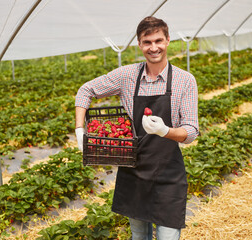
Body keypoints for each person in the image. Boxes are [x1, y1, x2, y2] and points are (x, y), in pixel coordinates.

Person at [75, 16, 199, 240]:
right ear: (140, 44)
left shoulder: (184, 80)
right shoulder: (127, 76)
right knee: (139, 236)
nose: (154, 48)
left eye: (158, 41)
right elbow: (86, 91)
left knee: (168, 236)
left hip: (168, 174)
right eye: (147, 42)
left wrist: (166, 131)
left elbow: (191, 131)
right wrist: (78, 130)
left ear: (168, 40)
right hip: (134, 170)